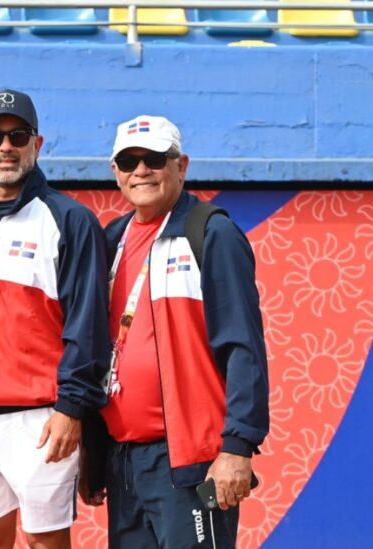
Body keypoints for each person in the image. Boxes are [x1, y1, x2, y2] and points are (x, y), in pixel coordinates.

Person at [80, 115, 270, 548]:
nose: (141, 170)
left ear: (180, 165)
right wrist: (94, 453)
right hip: (123, 459)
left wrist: (237, 448)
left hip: (189, 462)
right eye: (129, 161)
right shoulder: (111, 239)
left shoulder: (211, 233)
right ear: (115, 172)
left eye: (154, 159)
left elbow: (244, 348)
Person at [0, 89, 110, 548]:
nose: (5, 147)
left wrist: (72, 408)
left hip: (40, 417)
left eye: (17, 135)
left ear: (38, 143)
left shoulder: (69, 220)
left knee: (43, 543)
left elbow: (89, 325)